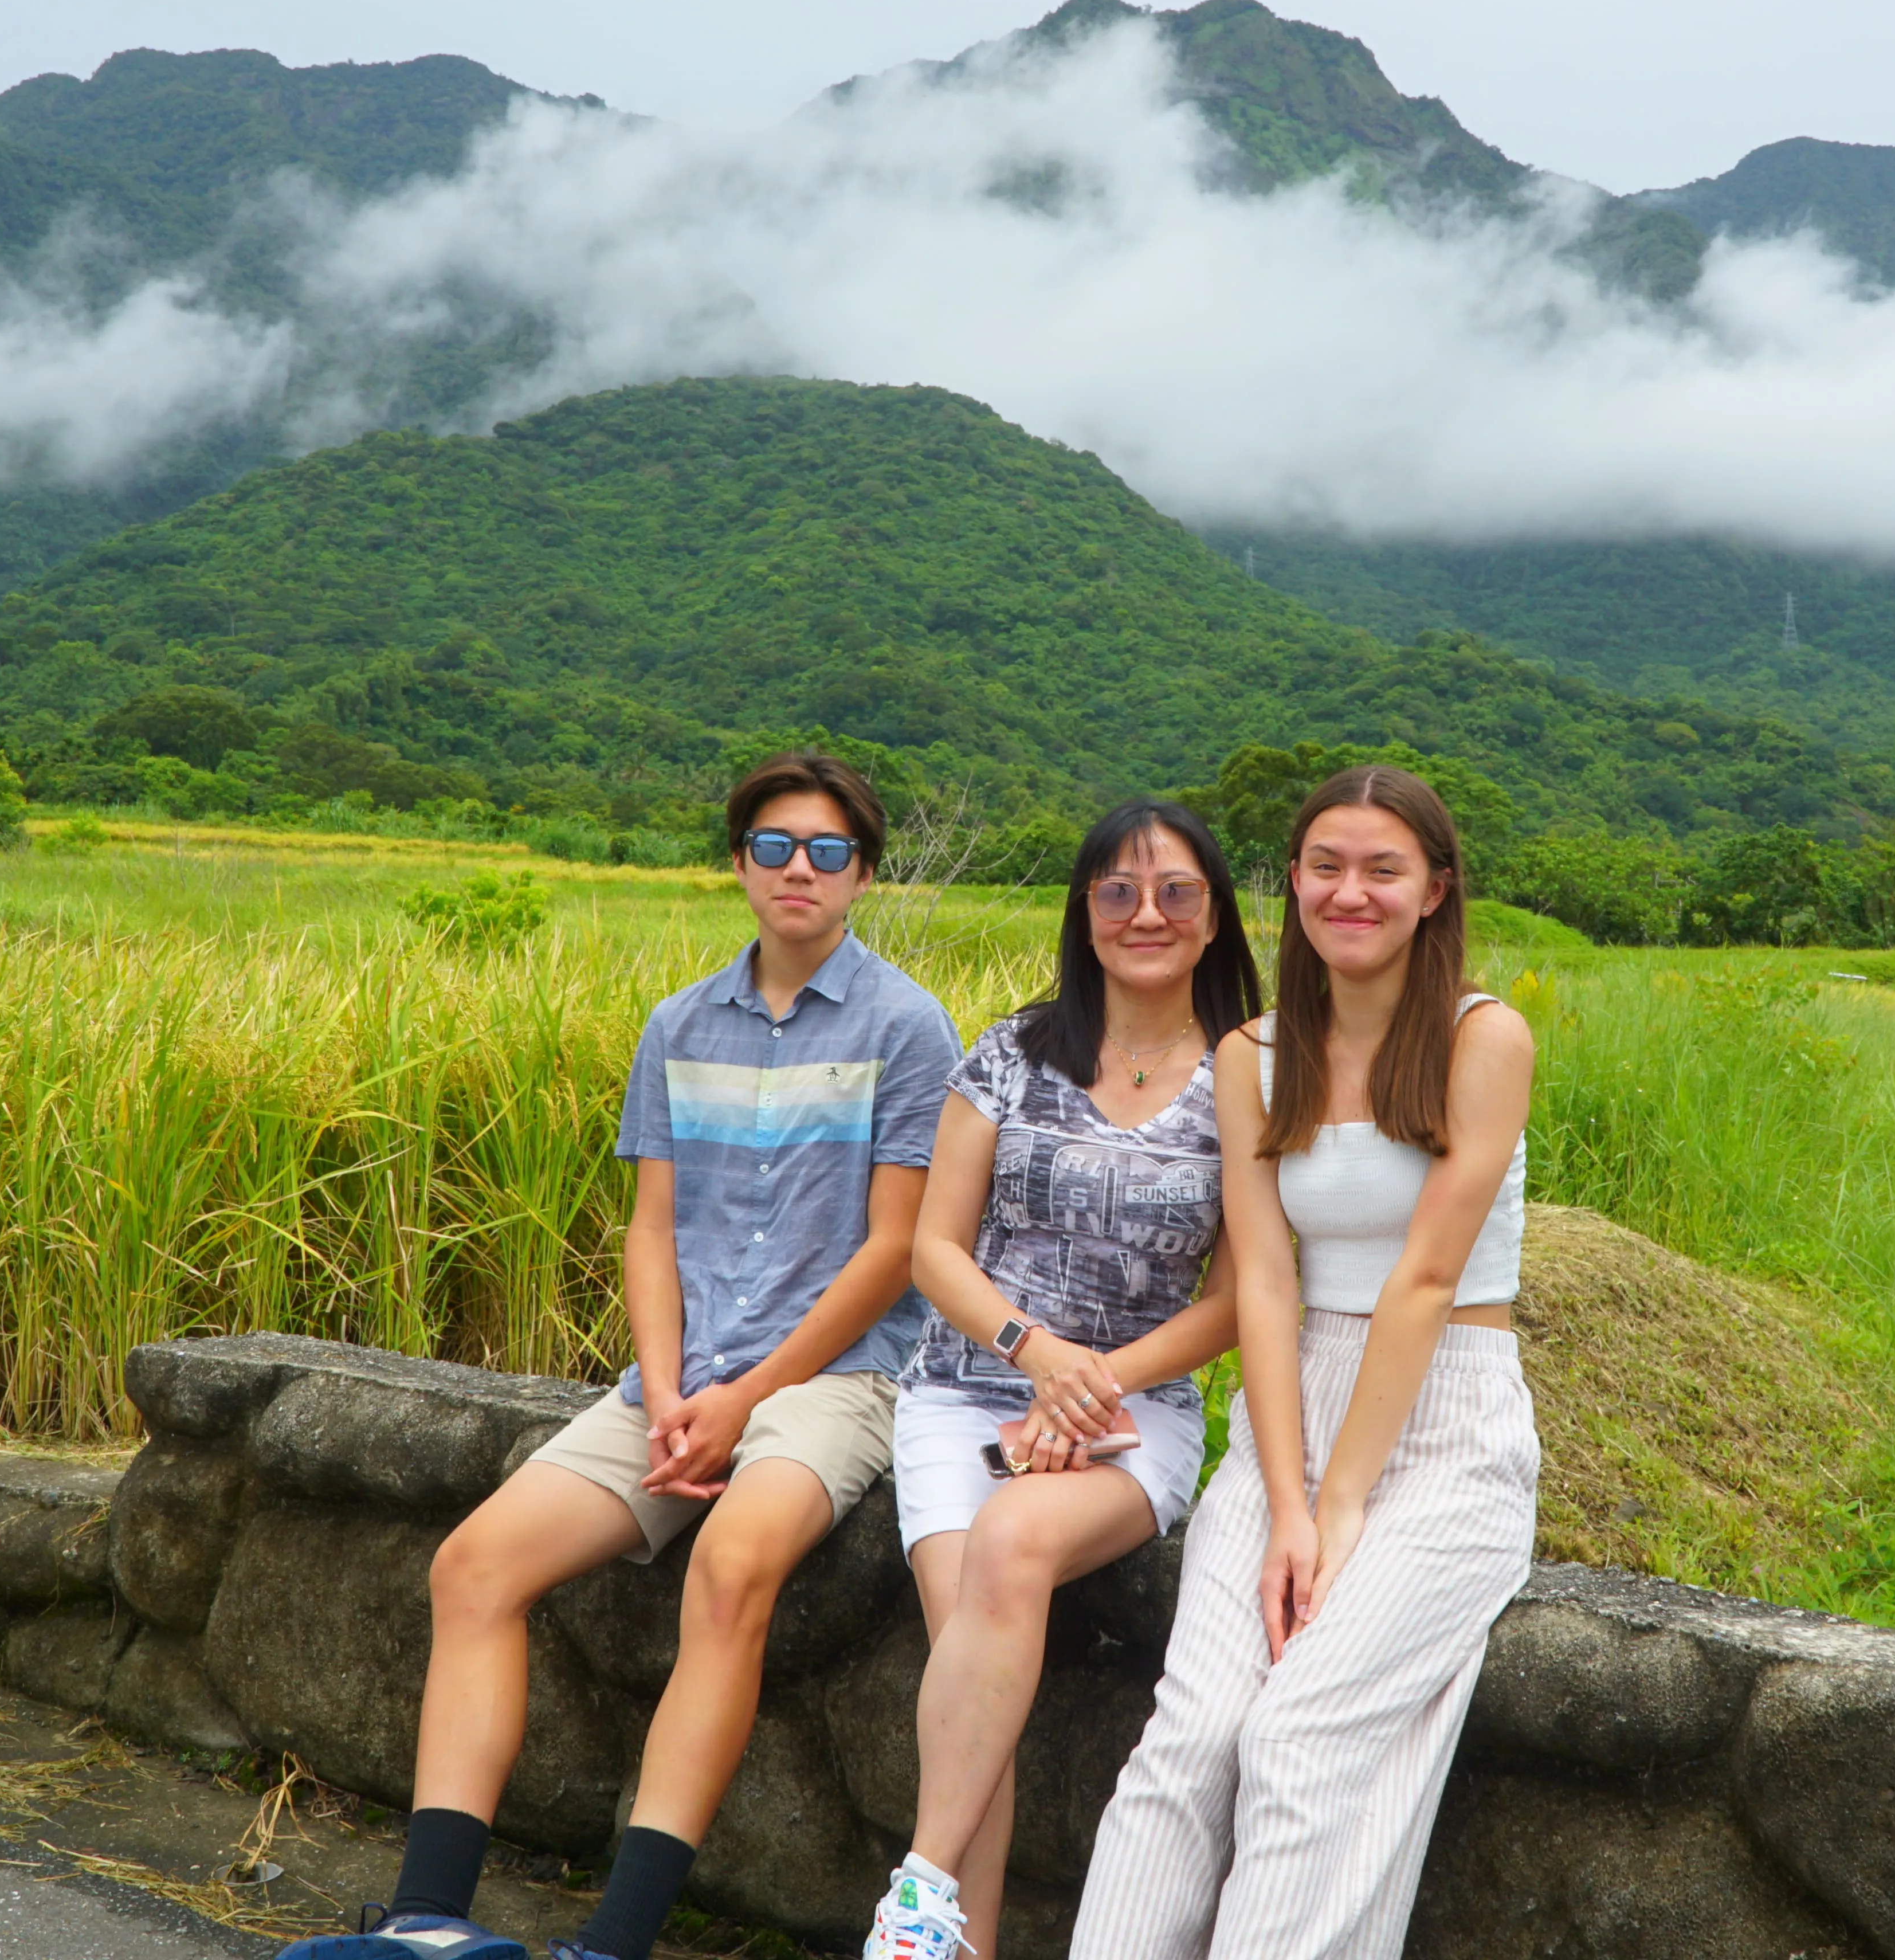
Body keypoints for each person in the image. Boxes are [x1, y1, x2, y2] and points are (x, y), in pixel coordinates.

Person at [281, 752, 963, 1960]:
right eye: (771, 845)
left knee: (730, 1570)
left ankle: (617, 1936)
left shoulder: (908, 1026)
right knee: (475, 1563)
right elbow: (652, 1227)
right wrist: (668, 1389)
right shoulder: (678, 1022)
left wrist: (741, 1397)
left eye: (825, 850)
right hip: (676, 1380)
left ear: (862, 871)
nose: (797, 869)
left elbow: (894, 1249)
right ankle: (433, 1914)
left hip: (835, 1380)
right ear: (737, 862)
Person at [1066, 765, 1536, 1960]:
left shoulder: (1486, 1038)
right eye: (1327, 863)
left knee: (1302, 1736)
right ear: (1292, 881)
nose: (1352, 890)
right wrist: (1285, 1495)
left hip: (1444, 1427)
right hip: (1291, 1414)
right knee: (1194, 1734)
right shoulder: (1253, 1053)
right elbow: (1264, 1279)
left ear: (1436, 888)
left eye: (1384, 867)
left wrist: (1338, 1504)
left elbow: (1425, 1282)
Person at [856, 802, 1262, 1960]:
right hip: (967, 1390)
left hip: (1134, 1417)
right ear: (1083, 914)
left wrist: (1092, 1388)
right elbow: (936, 1246)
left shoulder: (1252, 1073)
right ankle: (948, 1941)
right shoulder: (1012, 1050)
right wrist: (1032, 1351)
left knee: (1011, 1547)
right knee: (971, 1662)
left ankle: (921, 1890)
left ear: (1216, 915)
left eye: (1177, 890)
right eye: (1118, 891)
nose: (1146, 913)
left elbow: (1237, 1299)